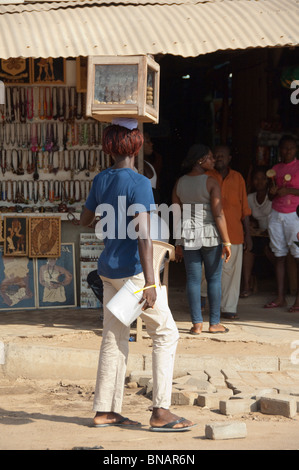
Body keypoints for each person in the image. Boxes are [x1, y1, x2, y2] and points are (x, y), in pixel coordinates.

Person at [80, 117, 195, 432]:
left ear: (109, 146)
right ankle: (161, 411)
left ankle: (106, 410)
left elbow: (84, 219)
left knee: (113, 337)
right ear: (136, 145)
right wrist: (150, 281)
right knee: (166, 333)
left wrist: (108, 214)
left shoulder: (101, 179)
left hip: (108, 270)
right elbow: (145, 236)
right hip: (134, 273)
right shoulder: (141, 183)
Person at [172, 144, 231, 335]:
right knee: (214, 279)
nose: (214, 160)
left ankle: (196, 324)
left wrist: (178, 242)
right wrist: (227, 242)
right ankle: (214, 324)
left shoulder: (179, 183)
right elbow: (219, 215)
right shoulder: (211, 182)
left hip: (189, 235)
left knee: (193, 280)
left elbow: (177, 215)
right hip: (210, 235)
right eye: (210, 157)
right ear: (200, 160)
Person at [206, 145, 252, 320]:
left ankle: (229, 308)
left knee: (231, 274)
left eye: (222, 156)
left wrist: (248, 234)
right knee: (208, 271)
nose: (219, 158)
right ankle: (210, 305)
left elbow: (244, 209)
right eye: (215, 155)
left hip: (234, 232)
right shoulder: (207, 177)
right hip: (210, 233)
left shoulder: (238, 178)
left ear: (229, 158)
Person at [264, 135, 299, 312]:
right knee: (279, 255)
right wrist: (273, 192)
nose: (287, 151)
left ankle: (298, 300)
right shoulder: (275, 169)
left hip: (295, 215)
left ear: (296, 150)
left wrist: (290, 190)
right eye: (284, 148)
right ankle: (280, 297)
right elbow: (270, 197)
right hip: (276, 214)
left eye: (291, 148)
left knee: (298, 255)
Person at [240, 167, 274, 297]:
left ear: (267, 181)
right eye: (256, 179)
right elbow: (248, 217)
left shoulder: (271, 197)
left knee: (272, 251)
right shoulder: (250, 198)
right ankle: (247, 286)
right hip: (258, 235)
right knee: (248, 249)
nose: (259, 182)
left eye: (263, 179)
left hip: (272, 234)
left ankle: (283, 286)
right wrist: (251, 226)